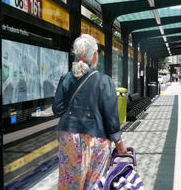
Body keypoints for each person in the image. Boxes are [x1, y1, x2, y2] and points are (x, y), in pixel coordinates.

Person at [52, 34, 127, 190]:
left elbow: (57, 109)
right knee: (95, 185)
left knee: (70, 184)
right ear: (95, 54)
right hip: (96, 139)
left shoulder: (66, 77)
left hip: (69, 138)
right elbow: (111, 117)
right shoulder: (104, 80)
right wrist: (118, 142)